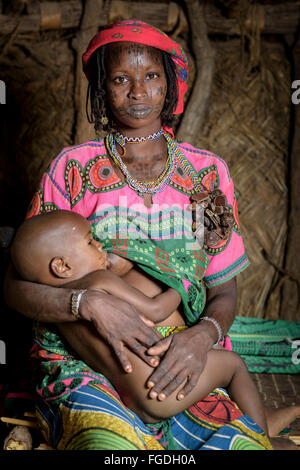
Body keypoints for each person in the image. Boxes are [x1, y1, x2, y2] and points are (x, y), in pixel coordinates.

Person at [4, 19, 275, 450]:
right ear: (100, 88)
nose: (137, 91)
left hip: (181, 362)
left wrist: (200, 336)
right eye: (120, 79)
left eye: (150, 76)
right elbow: (16, 286)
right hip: (89, 363)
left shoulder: (206, 175)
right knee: (109, 449)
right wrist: (85, 302)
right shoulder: (72, 169)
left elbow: (223, 290)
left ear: (169, 82)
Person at [10, 209, 273, 439]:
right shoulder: (99, 279)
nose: (101, 246)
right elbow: (156, 310)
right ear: (62, 266)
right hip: (161, 390)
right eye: (90, 242)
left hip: (130, 399)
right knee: (234, 364)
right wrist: (182, 284)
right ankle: (263, 438)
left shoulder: (62, 318)